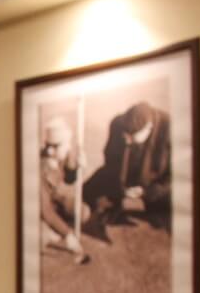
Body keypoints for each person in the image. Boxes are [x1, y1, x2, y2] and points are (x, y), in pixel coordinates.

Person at [83, 100, 173, 235]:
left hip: (157, 183)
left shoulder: (170, 128)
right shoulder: (118, 123)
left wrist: (147, 192)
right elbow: (110, 160)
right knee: (87, 191)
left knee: (167, 215)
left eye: (131, 137)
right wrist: (121, 188)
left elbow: (174, 177)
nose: (126, 141)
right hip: (126, 177)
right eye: (124, 136)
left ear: (149, 128)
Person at [39, 116, 91, 265]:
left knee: (83, 212)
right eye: (48, 145)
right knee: (41, 237)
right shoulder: (37, 167)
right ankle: (51, 228)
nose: (50, 150)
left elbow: (69, 179)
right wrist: (67, 234)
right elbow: (45, 210)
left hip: (55, 198)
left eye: (55, 146)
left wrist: (79, 167)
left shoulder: (65, 153)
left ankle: (55, 226)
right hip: (38, 206)